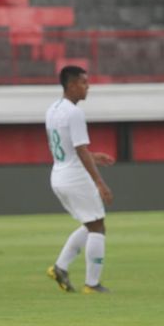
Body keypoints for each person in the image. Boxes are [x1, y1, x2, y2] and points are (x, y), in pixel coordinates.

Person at [45, 65, 114, 294]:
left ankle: (60, 267)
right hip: (75, 177)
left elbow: (67, 148)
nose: (88, 87)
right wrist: (99, 182)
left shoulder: (53, 109)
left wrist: (95, 157)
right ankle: (92, 284)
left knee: (89, 223)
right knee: (98, 226)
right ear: (72, 85)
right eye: (84, 82)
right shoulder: (75, 113)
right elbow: (81, 150)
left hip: (59, 174)